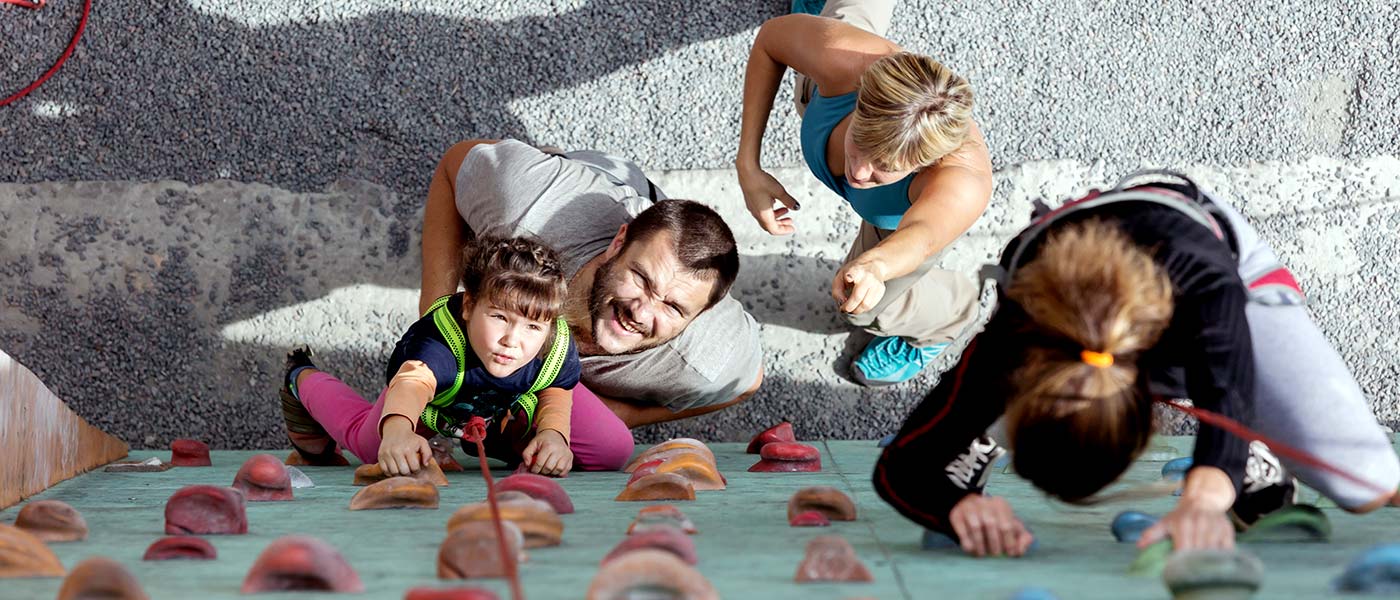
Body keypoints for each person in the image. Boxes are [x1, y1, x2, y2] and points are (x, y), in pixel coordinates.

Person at [874, 172, 1400, 557]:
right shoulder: (1016, 333)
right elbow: (900, 465)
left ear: (1149, 411)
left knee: (1369, 486)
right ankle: (982, 430)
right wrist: (951, 506)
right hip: (1078, 282)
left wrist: (1208, 491)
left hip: (1214, 263)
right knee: (973, 402)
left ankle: (1256, 461)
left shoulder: (1206, 289)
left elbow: (1227, 393)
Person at [419, 139, 764, 462]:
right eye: (640, 278)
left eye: (672, 307)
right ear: (618, 242)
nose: (640, 312)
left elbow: (749, 383)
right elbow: (456, 164)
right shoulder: (527, 206)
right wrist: (434, 321)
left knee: (604, 444)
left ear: (699, 315)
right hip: (592, 184)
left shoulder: (707, 356)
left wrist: (624, 414)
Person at [736, 0, 993, 386]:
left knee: (861, 306)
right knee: (829, 26)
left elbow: (920, 236)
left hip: (895, 226)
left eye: (884, 166)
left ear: (927, 164)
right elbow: (772, 40)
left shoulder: (961, 181)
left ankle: (951, 314)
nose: (857, 172)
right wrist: (748, 166)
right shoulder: (845, 60)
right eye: (859, 143)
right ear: (863, 96)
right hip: (835, 80)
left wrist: (877, 267)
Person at [278, 236, 583, 476]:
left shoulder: (553, 344)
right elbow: (413, 381)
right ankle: (302, 377)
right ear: (468, 306)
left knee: (605, 450)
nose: (512, 341)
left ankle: (482, 439)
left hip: (496, 407)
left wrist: (554, 434)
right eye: (499, 318)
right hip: (429, 403)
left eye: (531, 325)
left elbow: (557, 388)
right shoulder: (439, 344)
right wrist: (398, 431)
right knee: (376, 448)